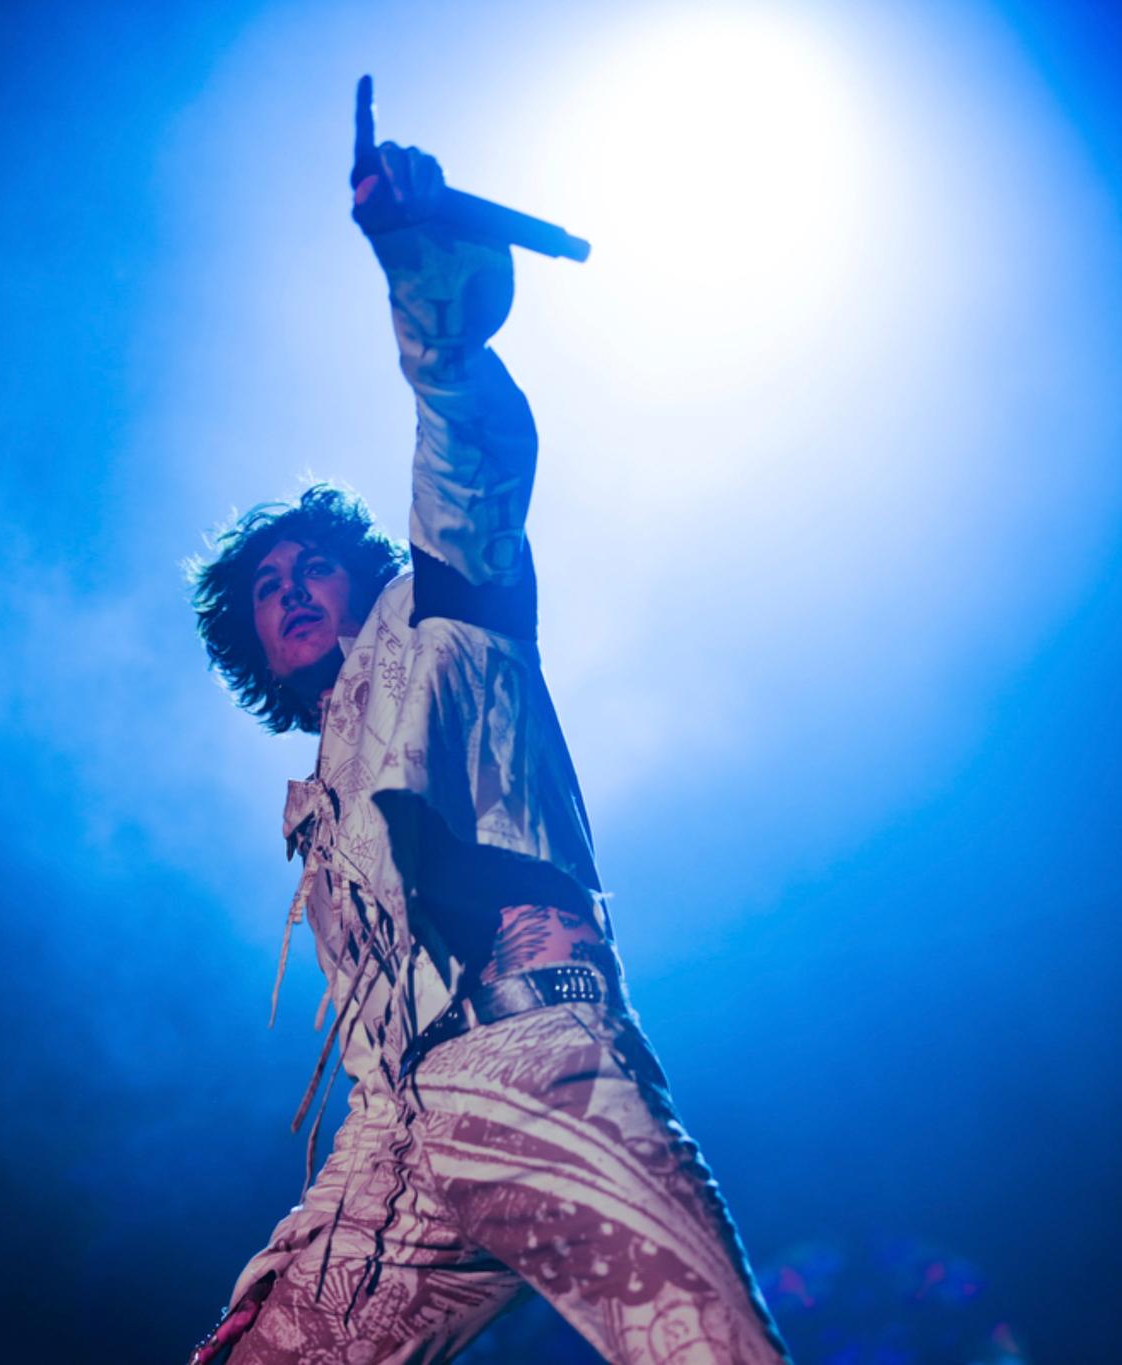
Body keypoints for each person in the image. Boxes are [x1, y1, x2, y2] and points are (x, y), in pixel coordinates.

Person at [184, 116, 790, 1364]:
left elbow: (464, 441)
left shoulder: (445, 610)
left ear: (364, 578)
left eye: (315, 569)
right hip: (394, 1144)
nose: (294, 591)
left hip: (535, 1064)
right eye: (267, 589)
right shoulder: (316, 801)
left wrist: (421, 269)